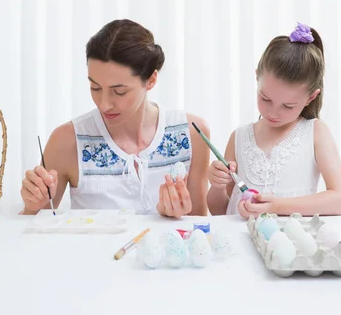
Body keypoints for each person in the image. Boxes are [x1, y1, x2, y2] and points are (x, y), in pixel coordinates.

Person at [21, 19, 210, 218]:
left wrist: (175, 218)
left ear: (151, 80)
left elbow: (200, 228)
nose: (104, 104)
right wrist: (33, 207)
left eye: (119, 91)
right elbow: (37, 232)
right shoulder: (67, 141)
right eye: (95, 88)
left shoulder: (192, 133)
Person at [207, 22, 341, 218]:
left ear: (311, 97)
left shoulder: (315, 133)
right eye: (265, 98)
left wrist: (276, 206)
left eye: (288, 106)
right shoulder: (239, 137)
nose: (273, 113)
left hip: (290, 245)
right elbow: (220, 212)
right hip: (238, 245)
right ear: (257, 77)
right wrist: (217, 186)